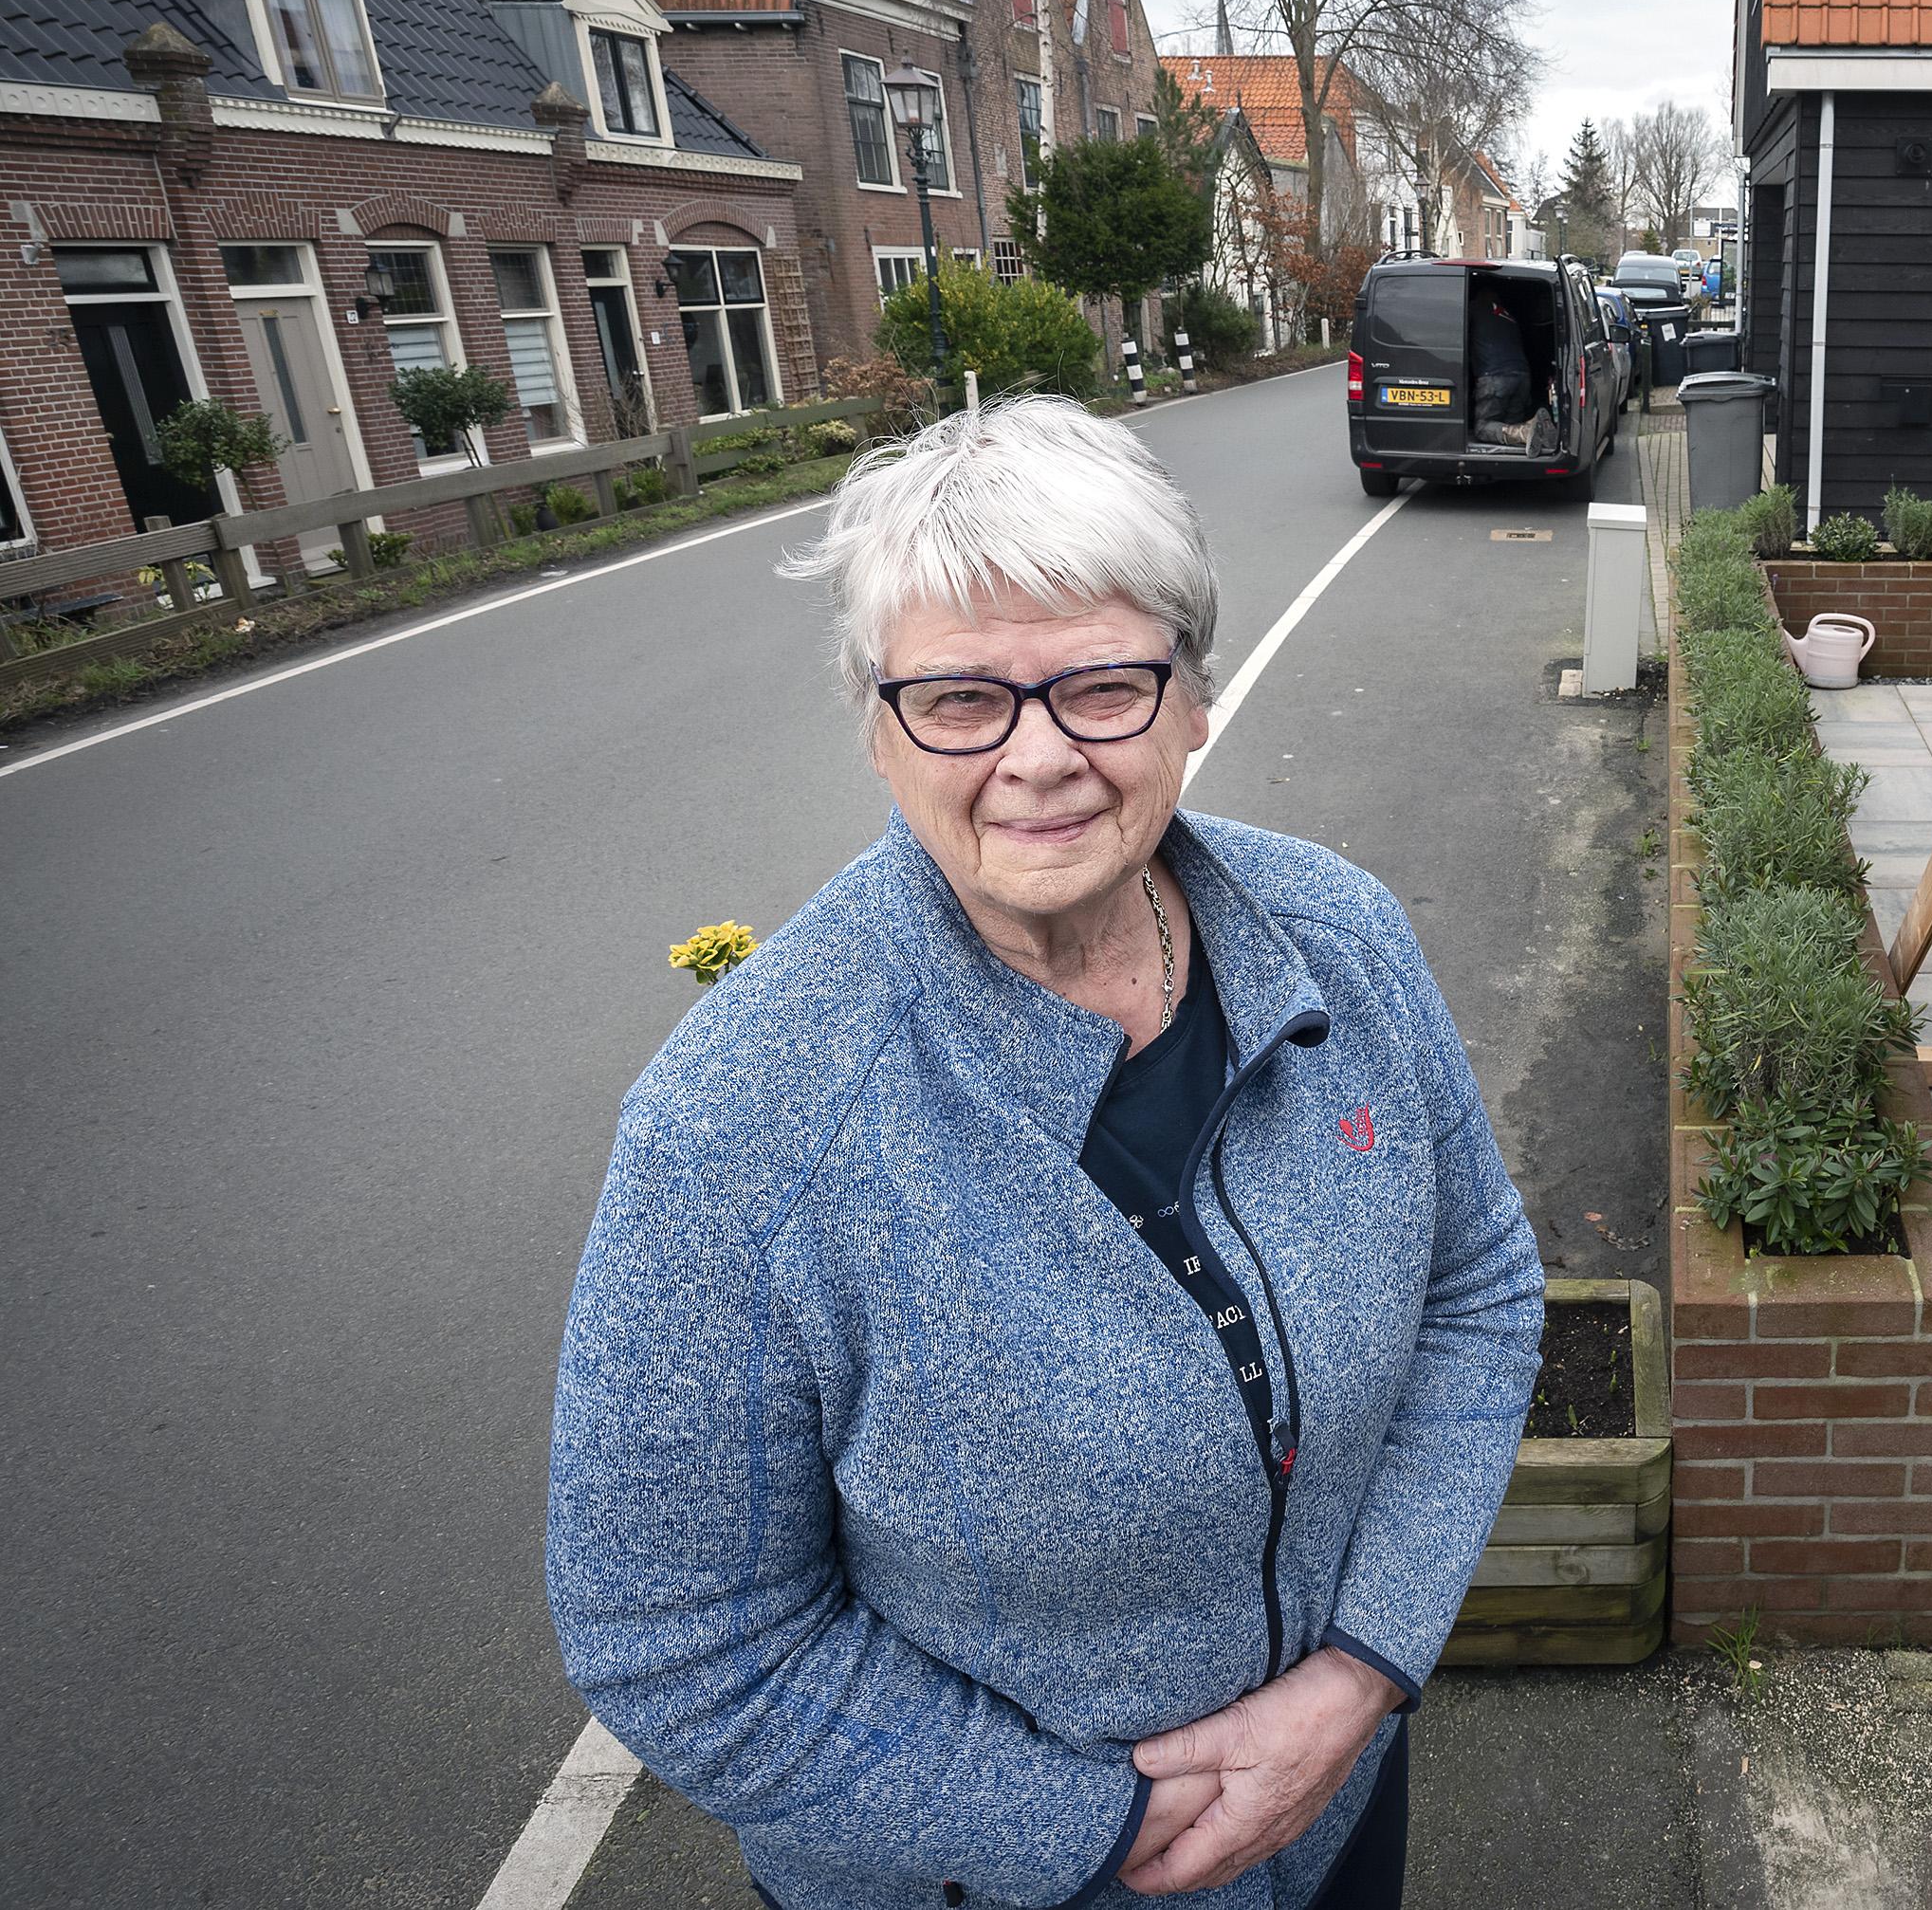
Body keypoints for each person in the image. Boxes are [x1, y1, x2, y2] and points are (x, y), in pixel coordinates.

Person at [545, 397, 1543, 1910]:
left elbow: (1477, 1294)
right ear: (877, 729)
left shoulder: (1339, 937)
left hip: (1335, 1815)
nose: (1038, 759)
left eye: (1101, 685)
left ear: (1192, 700)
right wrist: (1081, 1828)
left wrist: (1358, 1670)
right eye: (957, 698)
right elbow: (679, 1632)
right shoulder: (737, 1130)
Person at [1465, 279, 1534, 447]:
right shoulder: (1508, 316)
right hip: (1522, 377)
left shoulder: (1476, 307)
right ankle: (1527, 431)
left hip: (1495, 378)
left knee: (1483, 428)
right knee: (1508, 433)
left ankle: (1524, 431)